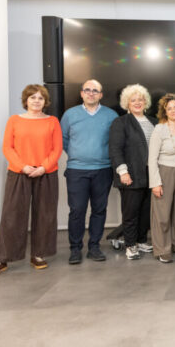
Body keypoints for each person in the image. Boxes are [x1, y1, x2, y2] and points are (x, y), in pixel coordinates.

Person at [0, 85, 62, 278]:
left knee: (44, 214)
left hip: (46, 173)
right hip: (19, 172)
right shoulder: (14, 120)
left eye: (40, 98)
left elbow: (57, 148)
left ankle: (38, 254)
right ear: (26, 100)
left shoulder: (52, 121)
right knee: (12, 215)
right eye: (32, 97)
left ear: (45, 102)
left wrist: (43, 167)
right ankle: (1, 259)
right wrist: (23, 167)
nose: (36, 101)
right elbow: (7, 148)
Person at [60, 79, 117, 265]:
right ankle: (75, 249)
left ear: (101, 95)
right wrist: (79, 155)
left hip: (103, 170)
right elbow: (63, 139)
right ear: (81, 93)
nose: (91, 93)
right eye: (87, 90)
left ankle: (94, 247)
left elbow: (115, 142)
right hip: (77, 170)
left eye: (95, 90)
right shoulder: (70, 114)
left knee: (99, 210)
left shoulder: (111, 115)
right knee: (77, 210)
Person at [109, 84, 157, 260]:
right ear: (127, 103)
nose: (137, 103)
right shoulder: (121, 122)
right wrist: (123, 172)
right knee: (131, 213)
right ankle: (130, 245)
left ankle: (141, 240)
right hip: (131, 174)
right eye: (133, 100)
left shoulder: (154, 122)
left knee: (146, 212)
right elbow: (115, 149)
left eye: (140, 99)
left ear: (146, 102)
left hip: (151, 174)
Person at [148, 94, 175, 263]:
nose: (173, 111)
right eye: (169, 108)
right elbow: (152, 158)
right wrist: (155, 183)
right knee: (162, 213)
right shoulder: (160, 129)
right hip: (164, 171)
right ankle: (162, 249)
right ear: (164, 112)